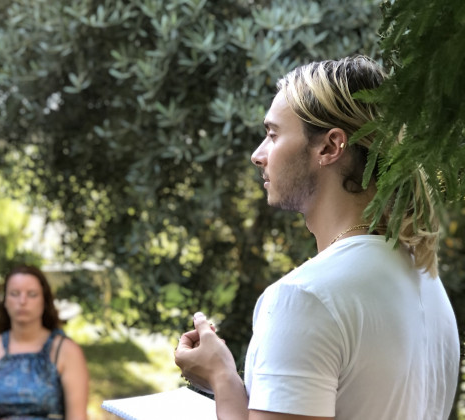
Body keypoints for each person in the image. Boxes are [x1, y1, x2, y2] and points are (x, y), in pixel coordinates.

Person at [174, 56, 460, 420]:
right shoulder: (425, 279)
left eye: (274, 135)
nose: (257, 155)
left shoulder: (304, 298)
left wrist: (222, 377)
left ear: (329, 147)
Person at [0, 265, 89, 420]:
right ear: (5, 301)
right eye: (14, 294)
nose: (22, 301)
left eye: (32, 294)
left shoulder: (67, 352)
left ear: (45, 300)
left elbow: (78, 416)